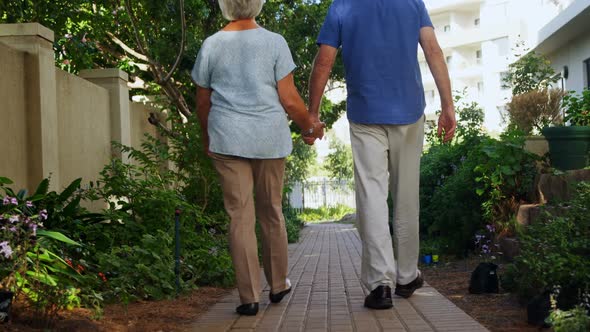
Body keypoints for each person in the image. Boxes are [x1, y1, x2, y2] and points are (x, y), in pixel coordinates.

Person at [307, 0, 456, 310]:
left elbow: (324, 60)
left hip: (365, 115)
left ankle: (380, 285)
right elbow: (433, 50)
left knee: (371, 197)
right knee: (406, 197)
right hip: (408, 112)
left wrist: (313, 112)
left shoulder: (343, 6)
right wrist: (447, 105)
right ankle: (405, 276)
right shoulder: (412, 2)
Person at [192, 0, 324, 316]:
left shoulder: (211, 45)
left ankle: (248, 297)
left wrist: (208, 138)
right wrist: (310, 125)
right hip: (269, 138)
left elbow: (202, 103)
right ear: (258, 4)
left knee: (239, 216)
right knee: (272, 210)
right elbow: (290, 100)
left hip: (228, 138)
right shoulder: (274, 42)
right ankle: (278, 285)